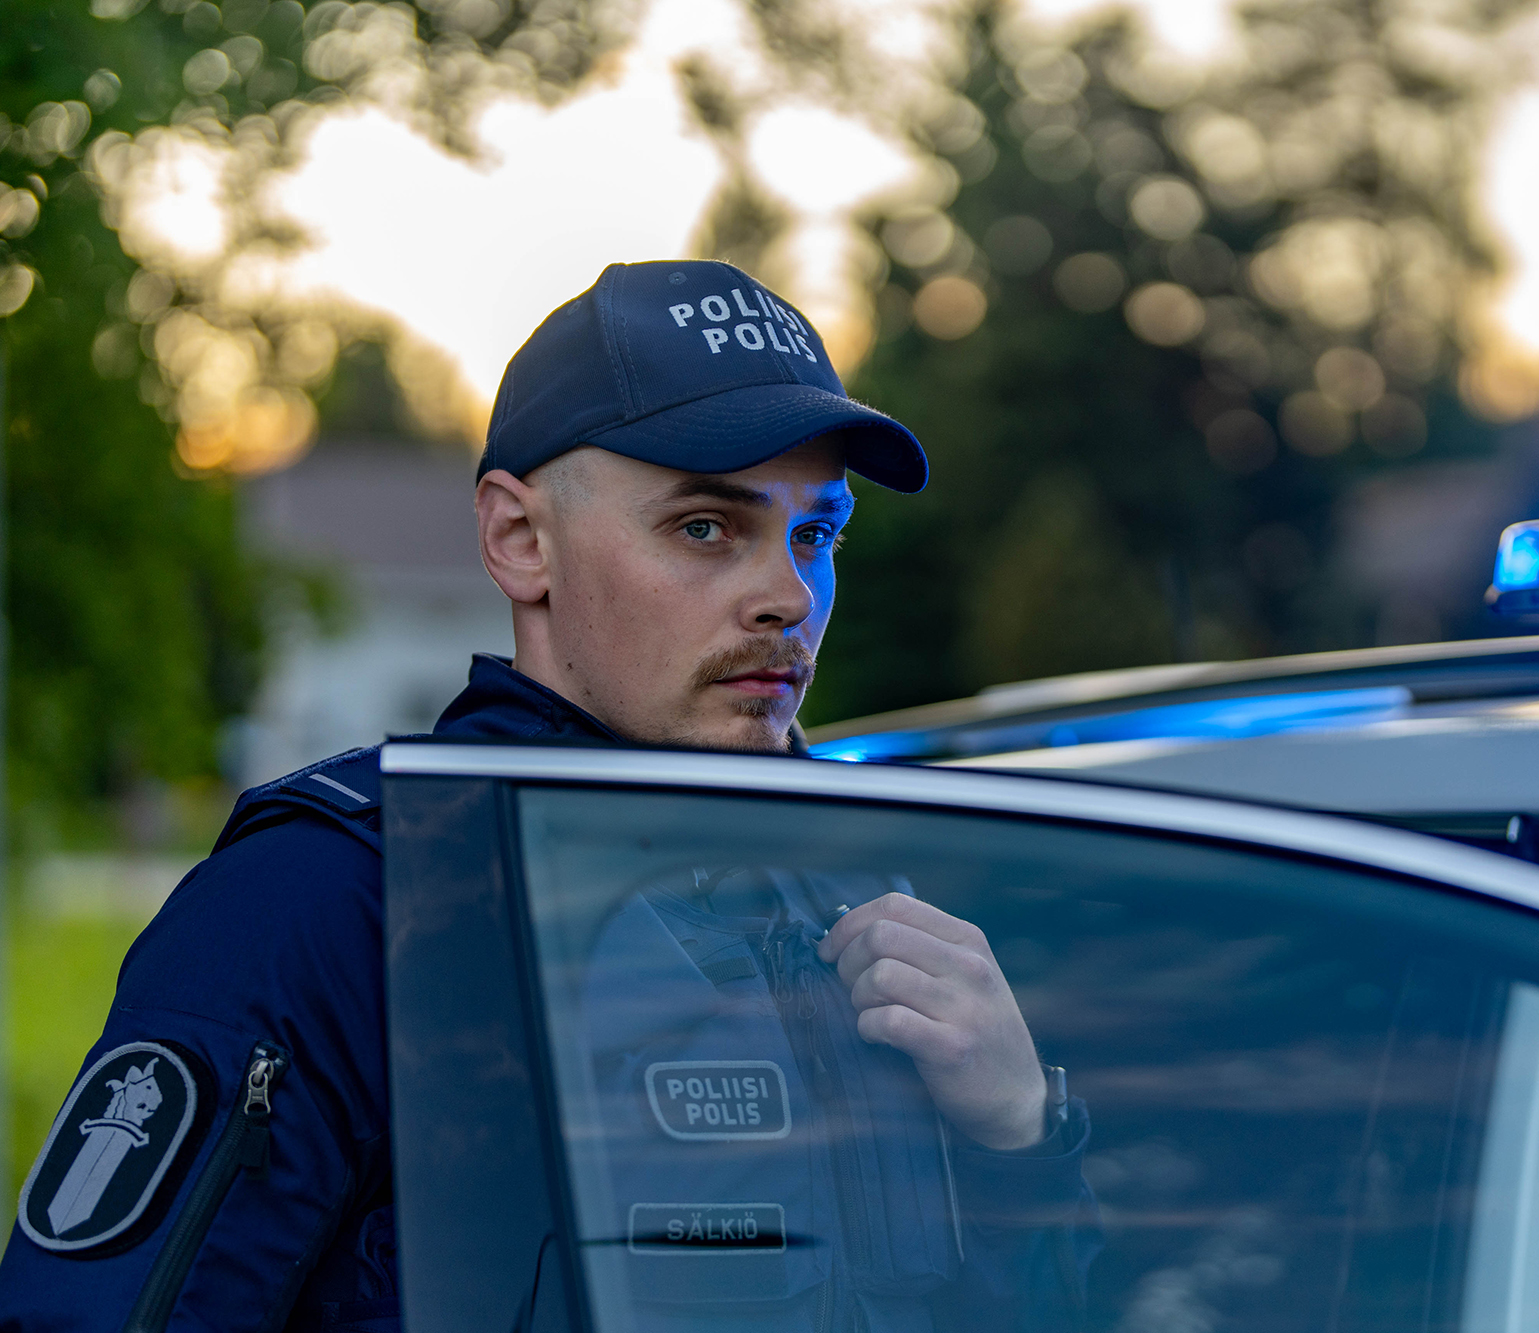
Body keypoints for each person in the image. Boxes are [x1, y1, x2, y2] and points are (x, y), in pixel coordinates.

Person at [0, 261, 1098, 1332]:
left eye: (815, 534)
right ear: (519, 540)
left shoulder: (864, 897)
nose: (786, 597)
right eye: (705, 528)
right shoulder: (335, 902)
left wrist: (1021, 1137)